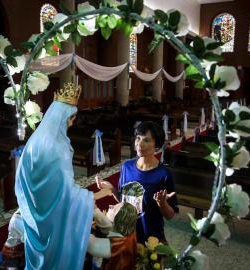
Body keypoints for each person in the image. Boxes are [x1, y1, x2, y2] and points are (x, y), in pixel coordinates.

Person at [15, 82, 93, 270]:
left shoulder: (34, 141)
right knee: (54, 259)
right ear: (62, 118)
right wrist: (88, 199)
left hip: (34, 211)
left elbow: (20, 181)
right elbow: (65, 193)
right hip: (53, 218)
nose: (72, 123)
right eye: (71, 118)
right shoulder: (58, 149)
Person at [96, 121, 178, 243]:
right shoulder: (126, 167)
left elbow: (170, 215)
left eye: (146, 140)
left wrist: (162, 203)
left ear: (157, 144)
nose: (139, 144)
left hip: (149, 237)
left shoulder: (163, 174)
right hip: (124, 234)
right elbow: (124, 203)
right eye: (138, 138)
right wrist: (112, 189)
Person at [87, 202, 138, 270]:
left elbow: (88, 243)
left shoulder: (116, 245)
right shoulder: (129, 233)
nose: (110, 206)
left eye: (113, 207)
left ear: (118, 218)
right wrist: (95, 210)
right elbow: (109, 227)